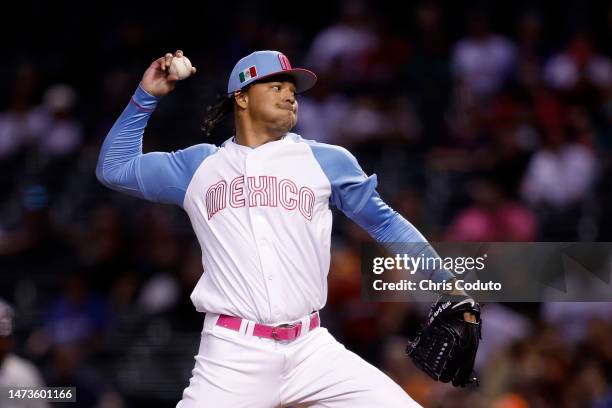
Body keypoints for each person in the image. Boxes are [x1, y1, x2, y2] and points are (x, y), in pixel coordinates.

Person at [96, 49, 475, 407]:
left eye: (292, 91)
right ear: (241, 98)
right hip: (232, 354)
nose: (289, 97)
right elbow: (113, 168)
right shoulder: (198, 167)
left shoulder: (326, 160)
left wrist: (445, 281)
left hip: (312, 348)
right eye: (275, 87)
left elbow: (386, 223)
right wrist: (146, 95)